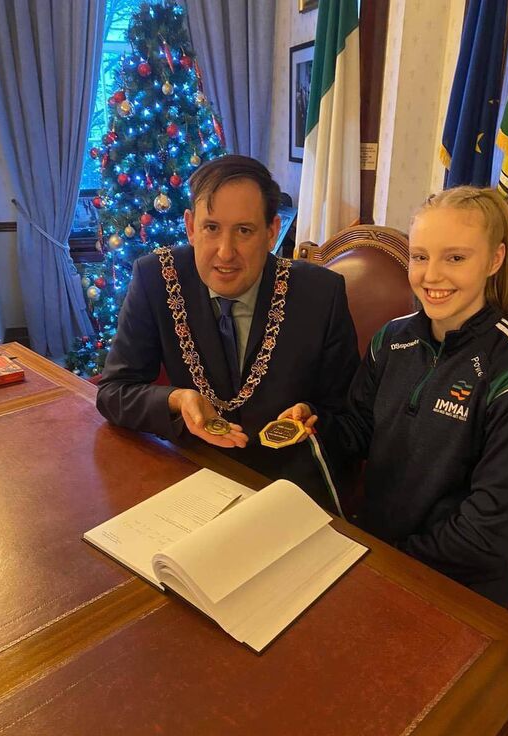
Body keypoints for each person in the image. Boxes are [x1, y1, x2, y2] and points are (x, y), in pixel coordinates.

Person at [281, 186, 508, 605]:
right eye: (420, 256)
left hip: (454, 588)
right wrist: (315, 425)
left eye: (455, 258)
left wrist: (385, 559)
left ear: (495, 259)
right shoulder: (392, 339)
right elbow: (358, 430)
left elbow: (487, 537)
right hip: (375, 551)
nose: (431, 276)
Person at [96, 155, 359, 510]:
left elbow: (347, 415)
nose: (225, 252)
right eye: (211, 228)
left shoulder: (320, 294)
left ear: (271, 232)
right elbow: (114, 392)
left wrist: (310, 415)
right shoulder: (156, 278)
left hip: (288, 487)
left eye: (244, 231)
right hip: (192, 476)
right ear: (191, 227)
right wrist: (177, 400)